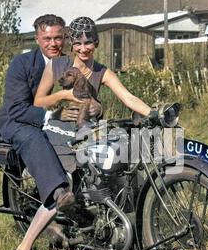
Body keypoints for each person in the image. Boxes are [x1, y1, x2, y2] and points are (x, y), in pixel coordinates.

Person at [0, 14, 101, 250]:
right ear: (37, 38)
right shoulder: (21, 63)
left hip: (57, 122)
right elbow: (18, 109)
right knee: (35, 140)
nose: (53, 43)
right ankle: (58, 192)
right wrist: (54, 114)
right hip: (19, 122)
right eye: (47, 38)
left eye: (58, 38)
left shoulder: (69, 63)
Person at [34, 16, 153, 152]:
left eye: (88, 42)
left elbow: (129, 98)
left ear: (96, 42)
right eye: (78, 43)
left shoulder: (102, 72)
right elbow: (38, 102)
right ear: (72, 43)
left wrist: (155, 115)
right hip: (56, 131)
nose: (83, 49)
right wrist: (62, 99)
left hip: (87, 133)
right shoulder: (56, 65)